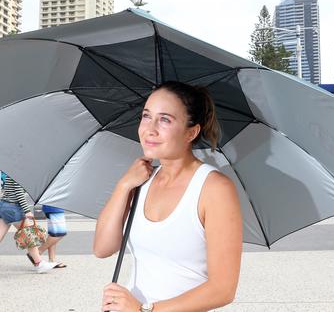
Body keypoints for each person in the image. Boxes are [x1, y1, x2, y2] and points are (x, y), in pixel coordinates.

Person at [93, 81, 242, 312]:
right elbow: (102, 248)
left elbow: (223, 289)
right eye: (146, 116)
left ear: (191, 132)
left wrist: (145, 310)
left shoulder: (213, 188)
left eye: (165, 119)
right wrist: (123, 186)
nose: (149, 129)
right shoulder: (141, 180)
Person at [0, 177, 55, 280]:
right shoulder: (19, 173)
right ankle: (39, 264)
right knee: (29, 236)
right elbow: (19, 193)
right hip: (13, 208)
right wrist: (27, 211)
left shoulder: (12, 172)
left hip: (2, 206)